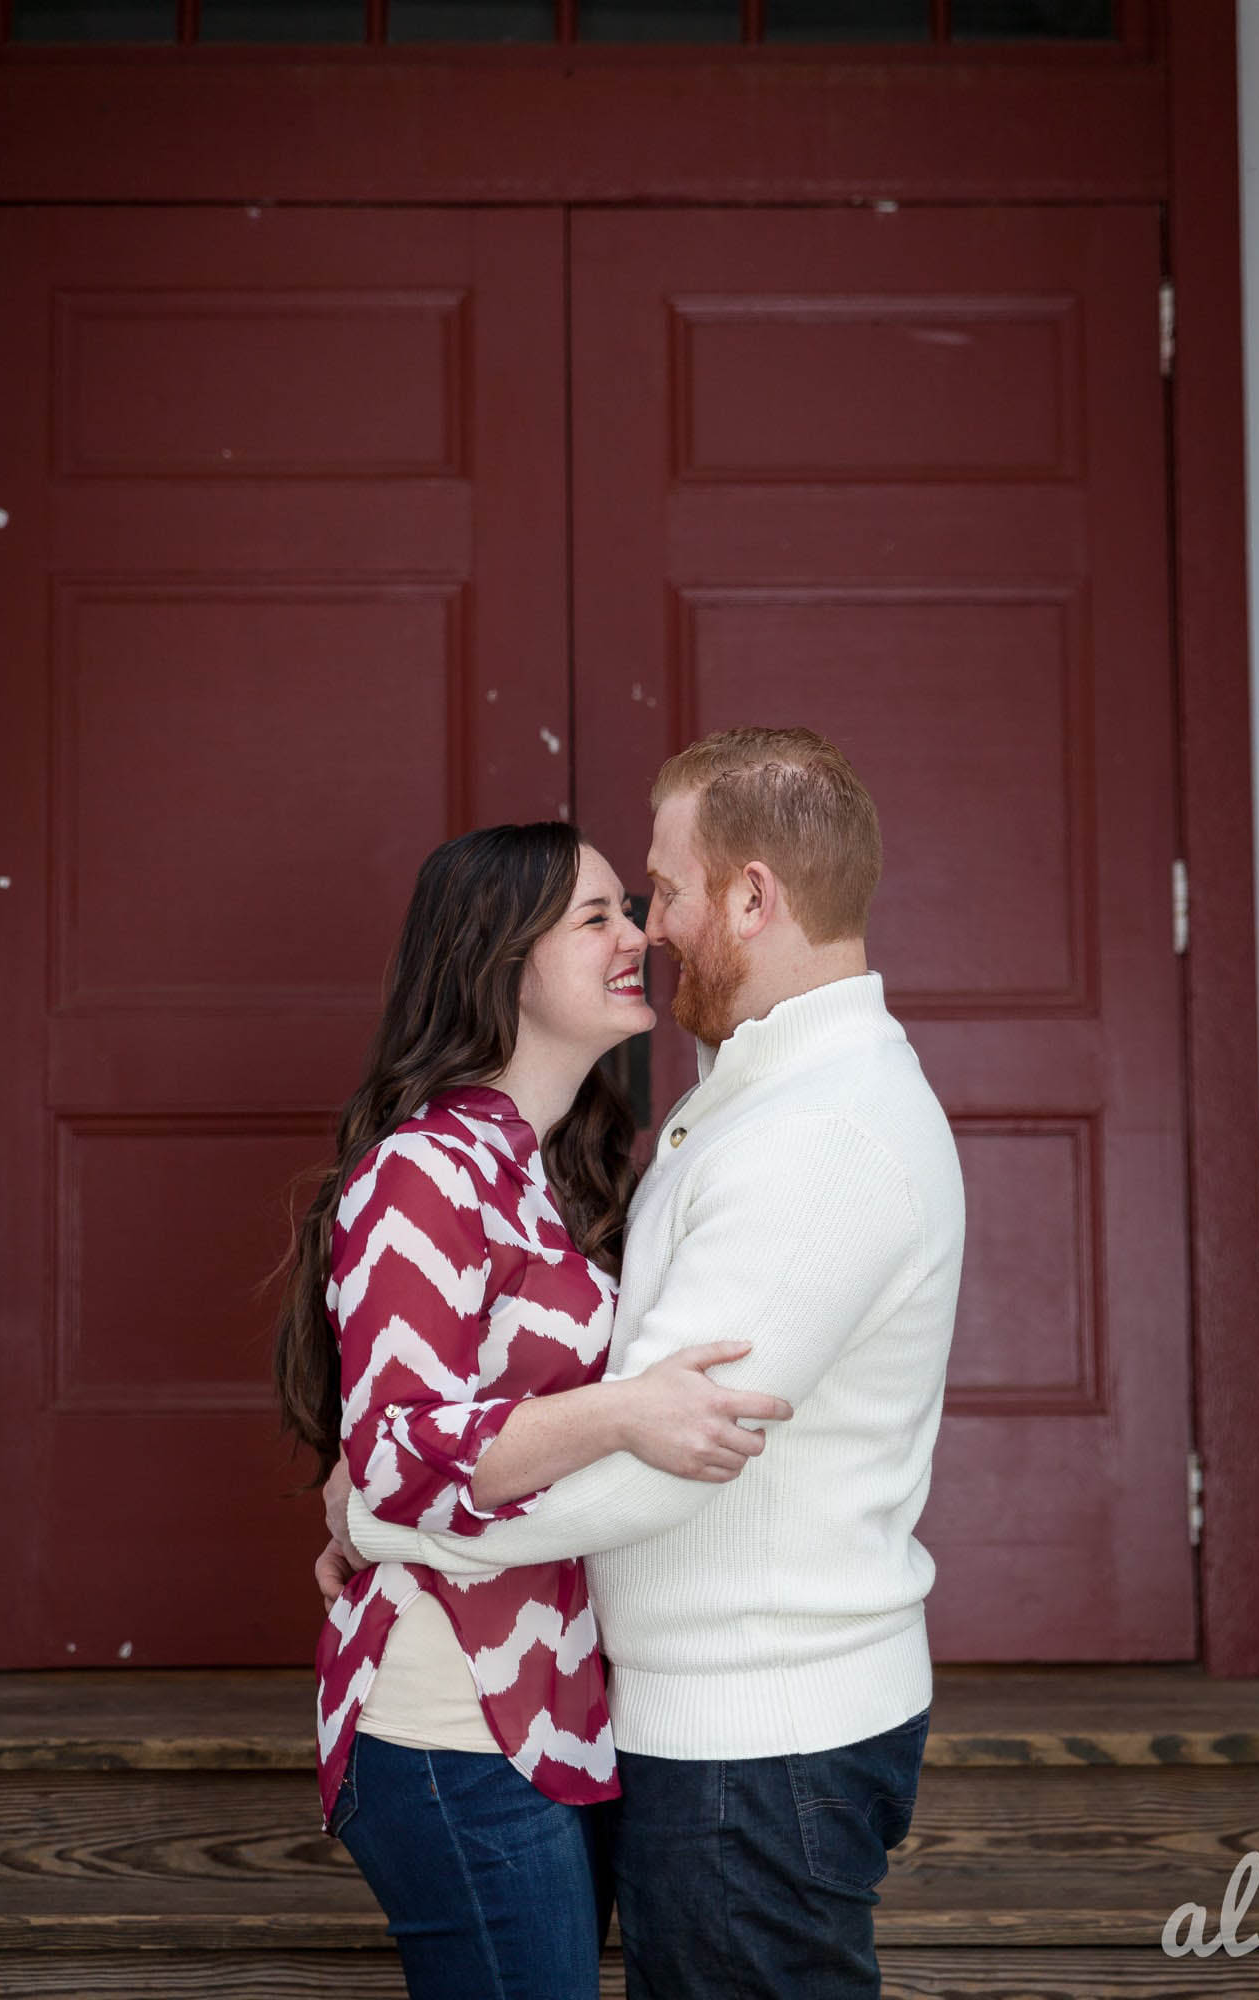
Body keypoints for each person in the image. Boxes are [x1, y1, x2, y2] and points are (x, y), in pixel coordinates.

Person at [320, 726, 967, 2000]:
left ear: (751, 895)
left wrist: (388, 1519)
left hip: (745, 1731)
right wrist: (393, 1487)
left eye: (655, 892)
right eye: (606, 911)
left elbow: (659, 1459)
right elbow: (446, 1408)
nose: (649, 930)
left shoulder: (813, 1132)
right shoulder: (703, 1108)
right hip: (533, 1712)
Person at [273, 819, 793, 2000]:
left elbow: (396, 1457)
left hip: (557, 1711)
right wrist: (620, 1412)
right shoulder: (423, 1168)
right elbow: (397, 1454)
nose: (637, 938)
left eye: (629, 907)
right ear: (495, 957)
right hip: (446, 1717)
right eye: (595, 917)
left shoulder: (553, 1171)